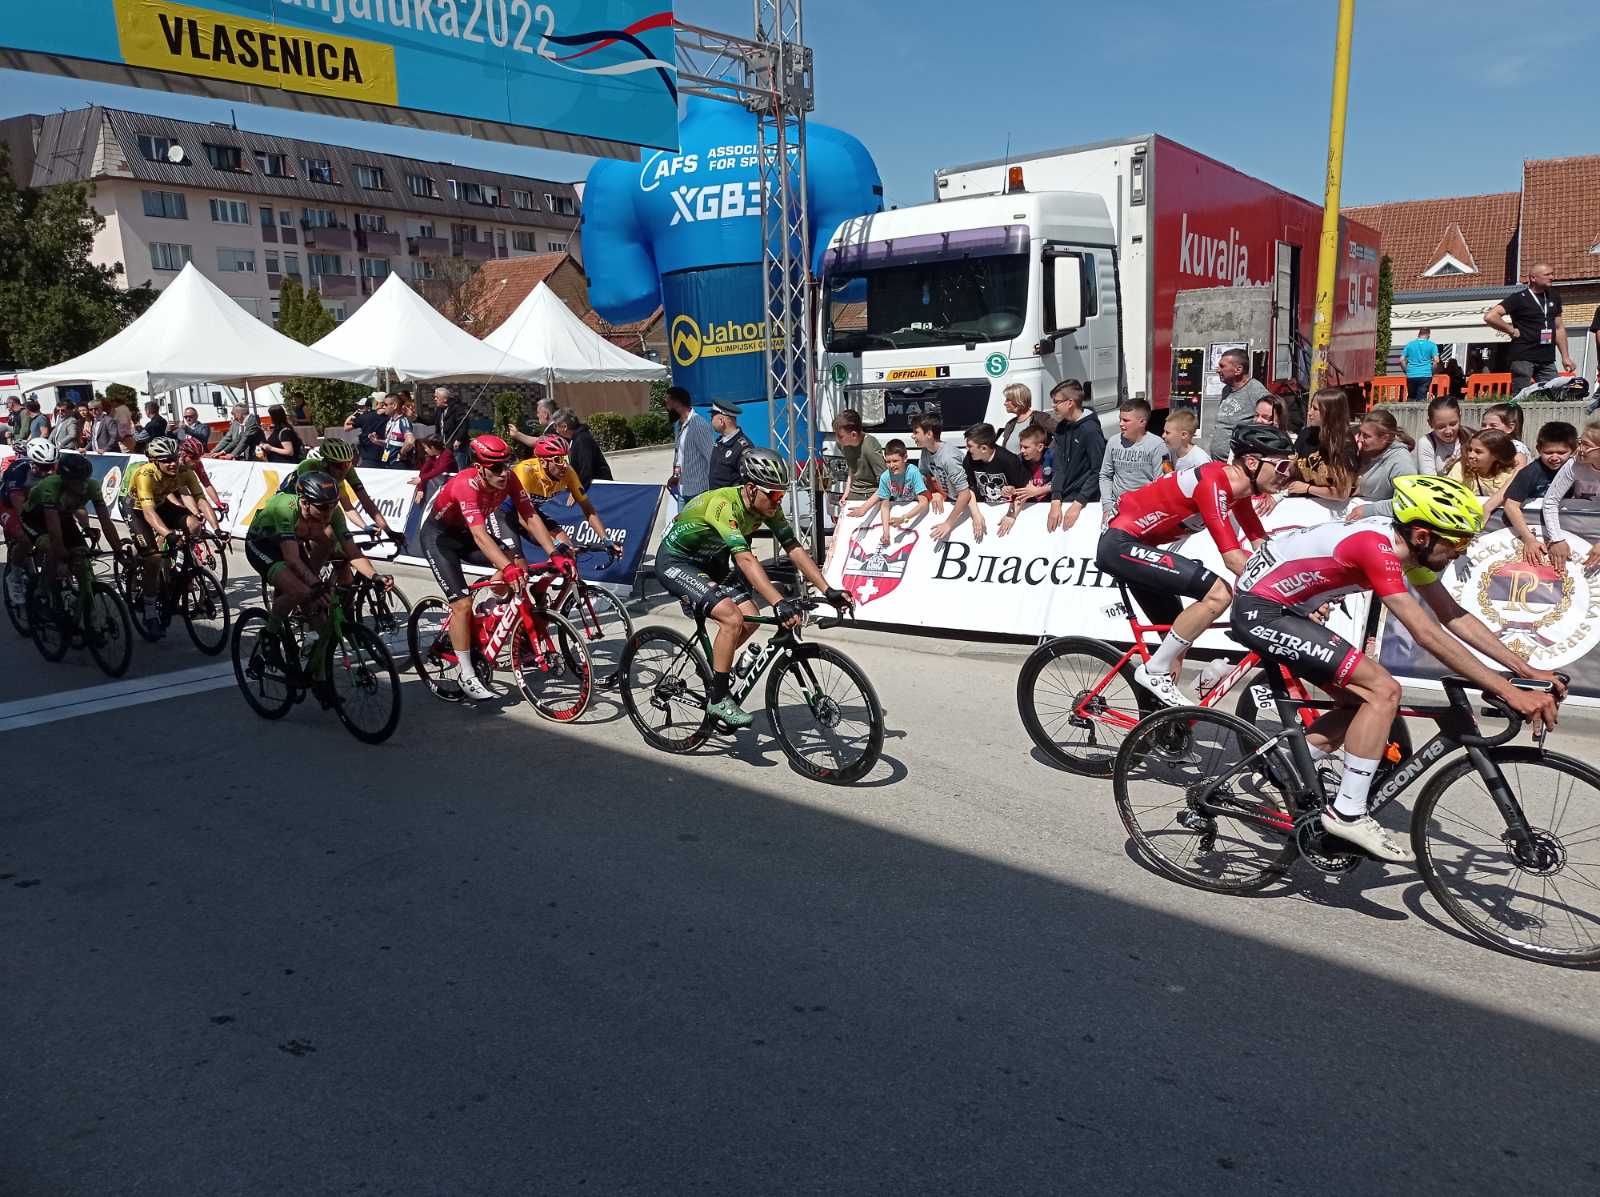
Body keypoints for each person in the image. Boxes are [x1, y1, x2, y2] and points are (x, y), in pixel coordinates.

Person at [1230, 474, 1561, 863]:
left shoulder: (1407, 547)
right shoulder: (1375, 546)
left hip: (1287, 608)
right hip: (1262, 612)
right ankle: (1348, 813)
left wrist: (1526, 670)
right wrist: (1510, 692)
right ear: (1422, 535)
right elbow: (1425, 632)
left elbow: (1451, 615)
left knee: (1359, 704)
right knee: (1382, 691)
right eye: (1457, 541)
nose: (1462, 551)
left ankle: (1285, 764)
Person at [1098, 423, 1294, 706]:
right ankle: (1153, 671)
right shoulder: (1214, 483)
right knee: (1219, 593)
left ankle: (1162, 723)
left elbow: (1260, 546)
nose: (1286, 476)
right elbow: (1232, 558)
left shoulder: (1240, 494)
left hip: (1140, 547)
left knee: (1177, 642)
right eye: (1282, 466)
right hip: (1120, 545)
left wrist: (1296, 579)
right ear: (1252, 462)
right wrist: (1284, 592)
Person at [655, 448, 851, 727]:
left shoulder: (766, 505)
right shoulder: (724, 506)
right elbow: (744, 558)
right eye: (773, 495)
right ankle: (718, 699)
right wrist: (778, 602)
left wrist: (827, 589)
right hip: (678, 561)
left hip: (713, 564)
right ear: (750, 488)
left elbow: (793, 547)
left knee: (749, 617)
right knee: (732, 618)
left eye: (782, 495)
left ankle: (718, 673)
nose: (777, 501)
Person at [420, 434, 564, 702]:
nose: (503, 472)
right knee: (462, 603)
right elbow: (480, 536)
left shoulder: (509, 479)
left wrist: (553, 552)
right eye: (495, 467)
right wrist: (505, 567)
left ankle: (491, 610)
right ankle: (465, 672)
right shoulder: (466, 484)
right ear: (479, 467)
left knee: (518, 565)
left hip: (467, 534)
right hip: (440, 538)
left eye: (506, 464)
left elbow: (530, 516)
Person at [245, 470, 392, 647]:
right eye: (322, 507)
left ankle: (317, 671)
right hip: (263, 545)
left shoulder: (333, 513)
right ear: (305, 503)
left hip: (292, 543)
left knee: (323, 627)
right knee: (299, 591)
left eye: (333, 505)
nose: (329, 512)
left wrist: (375, 576)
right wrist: (316, 585)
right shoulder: (285, 509)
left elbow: (352, 552)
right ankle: (269, 635)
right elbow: (292, 559)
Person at [121, 436, 220, 637]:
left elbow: (200, 499)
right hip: (138, 509)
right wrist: (168, 534)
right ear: (154, 461)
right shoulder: (145, 474)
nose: (172, 463)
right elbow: (148, 513)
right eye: (166, 460)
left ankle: (178, 570)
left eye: (174, 457)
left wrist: (217, 529)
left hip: (161, 503)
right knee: (154, 558)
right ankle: (149, 611)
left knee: (194, 525)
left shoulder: (184, 471)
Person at [21, 452, 124, 606]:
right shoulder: (51, 486)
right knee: (52, 549)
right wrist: (63, 557)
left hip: (62, 517)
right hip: (35, 519)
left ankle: (82, 601)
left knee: (82, 559)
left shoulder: (93, 486)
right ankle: (42, 591)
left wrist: (118, 550)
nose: (83, 485)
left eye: (85, 479)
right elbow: (54, 529)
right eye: (77, 481)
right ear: (65, 480)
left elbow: (106, 522)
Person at [277, 437, 403, 544]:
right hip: (291, 503)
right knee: (327, 540)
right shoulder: (310, 466)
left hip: (315, 506)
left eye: (348, 464)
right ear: (327, 463)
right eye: (339, 465)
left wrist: (386, 530)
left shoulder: (347, 470)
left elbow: (363, 503)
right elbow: (313, 508)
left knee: (342, 548)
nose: (344, 469)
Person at [510, 434, 618, 551]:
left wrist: (606, 540)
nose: (564, 465)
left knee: (568, 551)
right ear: (543, 462)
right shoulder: (526, 471)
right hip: (506, 513)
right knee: (517, 562)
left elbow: (588, 509)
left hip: (531, 513)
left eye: (566, 458)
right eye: (558, 460)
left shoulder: (568, 473)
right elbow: (521, 515)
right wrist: (553, 543)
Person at [1485, 263, 1574, 394]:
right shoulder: (1519, 298)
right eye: (1547, 275)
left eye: (1552, 274)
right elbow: (1491, 316)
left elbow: (1559, 327)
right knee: (1523, 395)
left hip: (1546, 357)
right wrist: (1510, 329)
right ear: (1533, 278)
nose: (1552, 277)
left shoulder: (1554, 297)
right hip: (1523, 356)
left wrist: (1565, 357)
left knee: (1553, 393)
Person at [1504, 421, 1577, 564]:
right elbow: (1510, 506)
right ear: (1538, 449)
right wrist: (1529, 539)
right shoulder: (1529, 473)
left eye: (1562, 452)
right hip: (1536, 532)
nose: (1555, 457)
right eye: (1548, 452)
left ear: (1574, 450)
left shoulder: (1579, 469)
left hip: (1569, 533)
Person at [1540, 419, 1600, 575]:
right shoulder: (1575, 464)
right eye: (1580, 442)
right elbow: (1550, 501)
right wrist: (1557, 539)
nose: (1579, 449)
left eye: (1586, 445)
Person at [1046, 379, 1106, 533]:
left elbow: (1098, 470)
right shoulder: (1062, 427)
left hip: (1083, 501)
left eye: (1056, 402)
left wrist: (1078, 503)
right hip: (1063, 497)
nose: (1053, 406)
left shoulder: (1090, 431)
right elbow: (1059, 465)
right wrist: (1056, 498)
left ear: (1070, 402)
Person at [955, 422, 1030, 542]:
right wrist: (976, 515)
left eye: (969, 446)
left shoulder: (1009, 460)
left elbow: (1024, 489)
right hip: (982, 508)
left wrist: (1011, 515)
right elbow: (968, 488)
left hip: (1006, 510)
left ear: (984, 448)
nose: (966, 449)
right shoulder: (969, 459)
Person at [2, 439, 57, 594]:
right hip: (7, 505)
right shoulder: (18, 469)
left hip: (32, 503)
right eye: (44, 467)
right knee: (25, 538)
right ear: (32, 462)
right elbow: (20, 507)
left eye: (51, 465)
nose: (50, 471)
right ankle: (15, 575)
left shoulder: (55, 469)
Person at [849, 438, 928, 546]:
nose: (891, 465)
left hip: (915, 508)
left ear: (905, 458)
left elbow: (923, 502)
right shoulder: (885, 476)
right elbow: (884, 506)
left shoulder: (913, 472)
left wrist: (903, 518)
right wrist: (886, 533)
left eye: (895, 461)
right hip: (901, 505)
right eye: (888, 462)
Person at [1099, 398, 1169, 519]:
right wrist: (1107, 506)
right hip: (1116, 509)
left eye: (1126, 420)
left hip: (1144, 511)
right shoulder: (1113, 442)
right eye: (1120, 419)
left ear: (1142, 422)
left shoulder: (1158, 446)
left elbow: (1162, 483)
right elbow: (1105, 475)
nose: (1121, 424)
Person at [1284, 387, 1357, 502]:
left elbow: (1342, 493)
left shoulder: (1344, 443)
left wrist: (1308, 488)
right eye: (1310, 407)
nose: (1309, 413)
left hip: (1329, 508)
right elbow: (1292, 468)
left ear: (1330, 412)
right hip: (1300, 503)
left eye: (1315, 409)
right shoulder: (1305, 434)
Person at [1207, 348, 1271, 459]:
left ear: (1238, 370)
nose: (1218, 370)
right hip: (1220, 463)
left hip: (1239, 464)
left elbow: (1272, 420)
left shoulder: (1255, 390)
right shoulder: (1226, 390)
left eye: (1222, 366)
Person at [910, 413, 970, 527]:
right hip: (953, 500)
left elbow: (965, 493)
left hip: (971, 503)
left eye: (916, 432)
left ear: (929, 434)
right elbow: (923, 474)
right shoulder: (926, 451)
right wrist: (935, 492)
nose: (912, 436)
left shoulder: (949, 457)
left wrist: (948, 524)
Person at [1446, 429, 1519, 516]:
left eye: (1478, 452)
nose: (1471, 455)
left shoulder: (1509, 474)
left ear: (1496, 455)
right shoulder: (1461, 467)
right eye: (1470, 450)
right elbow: (1448, 493)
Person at [999, 424, 1055, 536]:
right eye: (1021, 446)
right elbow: (1019, 490)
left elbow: (1063, 482)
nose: (1022, 450)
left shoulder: (1054, 457)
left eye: (1026, 447)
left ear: (1040, 447)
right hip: (1029, 507)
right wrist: (1008, 489)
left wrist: (1038, 491)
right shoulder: (1019, 460)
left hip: (1050, 506)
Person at [1352, 410, 1418, 505]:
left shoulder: (1402, 463)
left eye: (1366, 436)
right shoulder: (1367, 450)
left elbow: (1406, 502)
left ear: (1385, 438)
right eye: (1360, 433)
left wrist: (1370, 510)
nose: (1360, 439)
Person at [666, 387, 714, 504]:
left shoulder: (698, 424)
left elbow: (711, 457)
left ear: (676, 402)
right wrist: (675, 476)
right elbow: (679, 457)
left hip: (698, 492)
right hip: (682, 491)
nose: (665, 404)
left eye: (667, 400)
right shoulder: (678, 425)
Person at [832, 407, 885, 510]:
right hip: (855, 491)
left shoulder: (869, 447)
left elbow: (885, 483)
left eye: (840, 436)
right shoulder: (842, 444)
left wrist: (864, 508)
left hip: (872, 493)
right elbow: (852, 467)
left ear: (853, 435)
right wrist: (846, 493)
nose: (837, 439)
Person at [551, 409, 612, 488]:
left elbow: (586, 469)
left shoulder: (582, 439)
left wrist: (577, 491)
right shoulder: (576, 439)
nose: (556, 430)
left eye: (556, 426)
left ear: (564, 426)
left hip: (600, 488)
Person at [178, 436, 228, 523]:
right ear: (183, 455)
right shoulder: (173, 464)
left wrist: (218, 503)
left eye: (198, 458)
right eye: (193, 458)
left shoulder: (197, 464)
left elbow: (207, 484)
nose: (196, 461)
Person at [706, 400, 754, 491]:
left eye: (712, 417)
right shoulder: (720, 442)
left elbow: (749, 483)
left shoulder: (743, 447)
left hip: (730, 502)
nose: (711, 421)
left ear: (721, 421)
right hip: (717, 500)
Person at [996, 382, 1056, 455]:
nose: (1005, 403)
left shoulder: (1040, 418)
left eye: (1008, 400)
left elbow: (1062, 432)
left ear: (1018, 400)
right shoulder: (1010, 424)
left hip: (1033, 466)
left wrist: (1048, 454)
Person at [1416, 395, 1463, 476]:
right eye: (1441, 427)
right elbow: (1430, 479)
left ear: (1460, 418)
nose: (1448, 431)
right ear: (1430, 423)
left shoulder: (1470, 438)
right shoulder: (1427, 443)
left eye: (1453, 424)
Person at [435, 387, 474, 471]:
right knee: (448, 469)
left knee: (461, 469)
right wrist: (416, 417)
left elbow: (464, 424)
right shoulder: (440, 410)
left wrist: (458, 439)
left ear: (444, 399)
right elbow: (431, 421)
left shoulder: (457, 408)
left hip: (457, 447)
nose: (435, 399)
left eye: (436, 397)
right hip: (445, 446)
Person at [1481, 403, 1531, 468]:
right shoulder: (1489, 446)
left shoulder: (1516, 447)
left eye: (1493, 425)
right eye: (1483, 425)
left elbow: (1519, 474)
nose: (1486, 429)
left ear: (1510, 428)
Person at [410, 435, 453, 508]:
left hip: (449, 488)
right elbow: (423, 471)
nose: (425, 450)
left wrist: (422, 478)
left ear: (432, 448)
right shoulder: (432, 456)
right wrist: (420, 489)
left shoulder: (447, 454)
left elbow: (439, 470)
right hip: (437, 488)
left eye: (426, 448)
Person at [343, 397, 387, 468]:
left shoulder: (363, 417)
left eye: (361, 407)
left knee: (354, 443)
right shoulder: (388, 416)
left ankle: (353, 466)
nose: (359, 408)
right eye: (358, 407)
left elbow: (346, 427)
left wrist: (354, 414)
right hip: (383, 452)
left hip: (369, 455)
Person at [1161, 409, 1209, 473]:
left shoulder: (1200, 461)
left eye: (1167, 432)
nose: (1163, 435)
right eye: (1164, 431)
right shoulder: (1171, 452)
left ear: (1183, 435)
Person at [1400, 327, 1440, 401]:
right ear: (1428, 335)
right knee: (1421, 398)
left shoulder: (1409, 344)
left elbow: (1402, 359)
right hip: (1425, 374)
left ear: (1419, 334)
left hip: (1411, 374)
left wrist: (1406, 370)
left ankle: (1410, 411)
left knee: (1411, 396)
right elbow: (1436, 361)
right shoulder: (1432, 345)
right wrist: (1432, 372)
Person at [379, 393, 413, 467]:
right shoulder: (390, 421)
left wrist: (401, 453)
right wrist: (377, 441)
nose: (383, 407)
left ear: (394, 406)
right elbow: (391, 442)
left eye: (385, 404)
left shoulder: (403, 421)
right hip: (388, 462)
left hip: (399, 464)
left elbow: (410, 441)